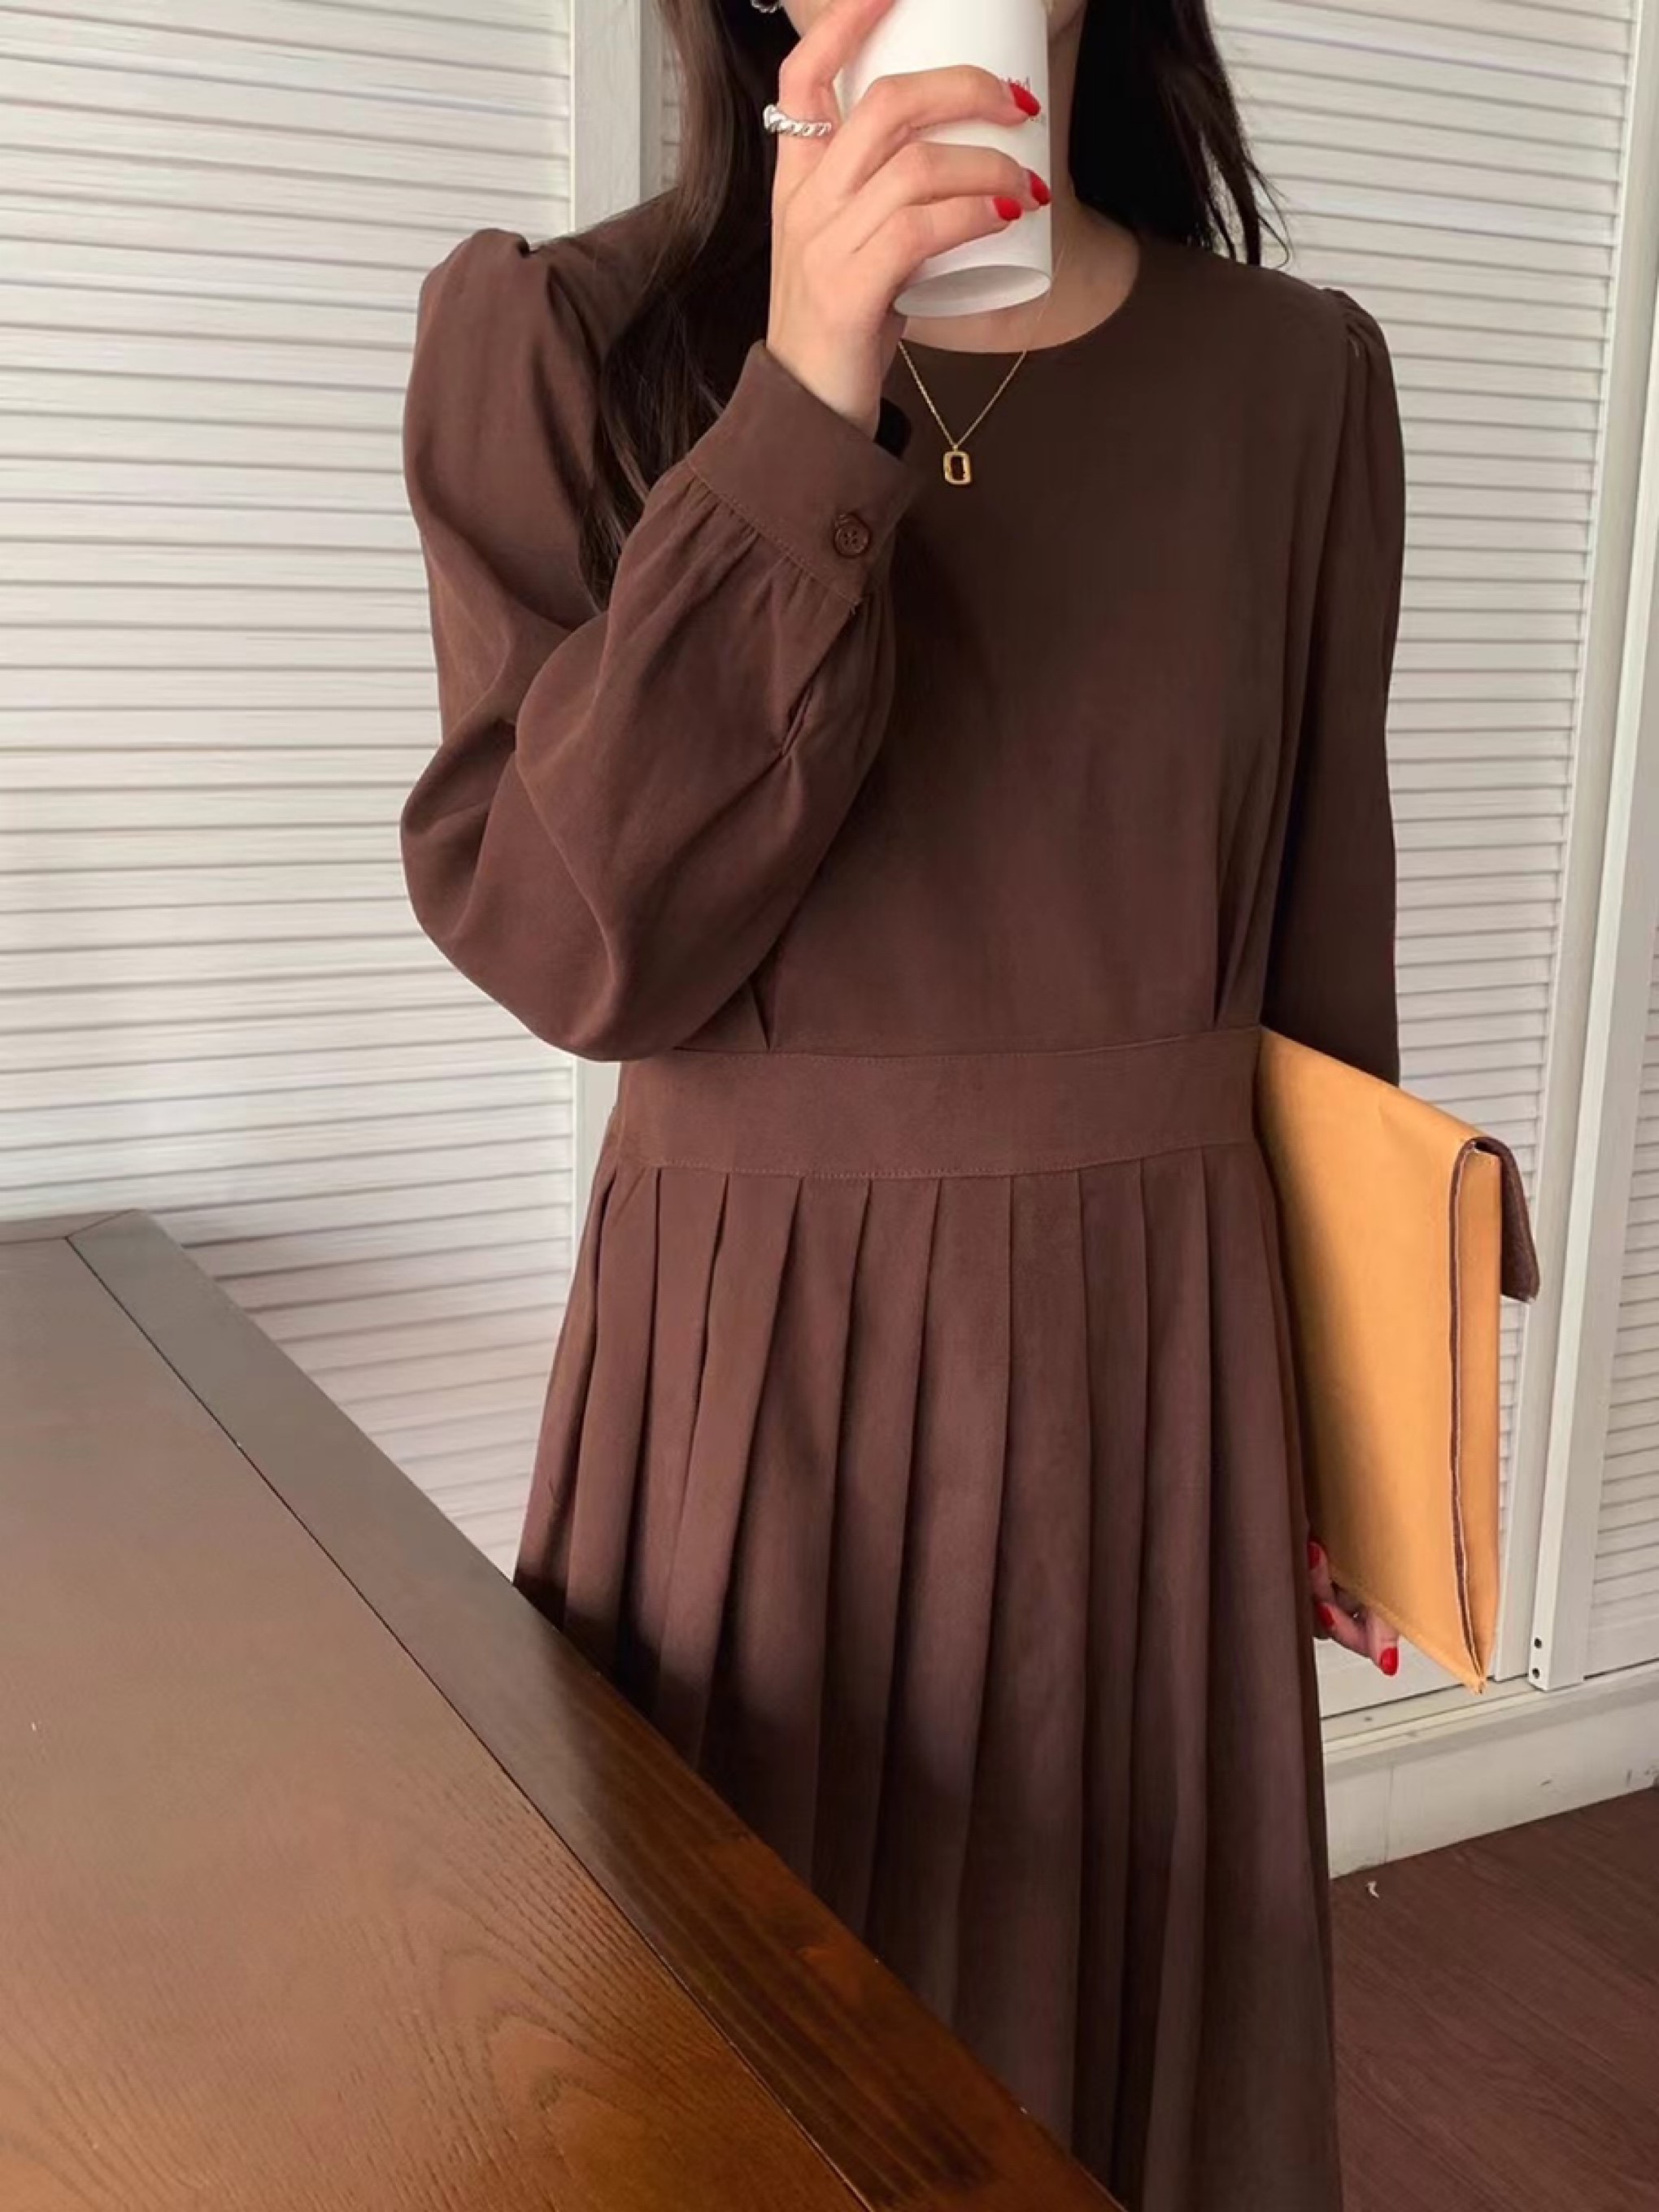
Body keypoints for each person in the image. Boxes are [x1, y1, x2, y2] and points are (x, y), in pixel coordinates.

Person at [397, 0, 1407, 2201]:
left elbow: (1322, 964)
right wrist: (801, 404)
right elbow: (569, 947)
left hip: (1159, 1373)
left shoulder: (1296, 381)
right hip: (750, 1389)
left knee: (1113, 2083)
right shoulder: (560, 343)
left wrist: (1355, 1426)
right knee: (725, 2088)